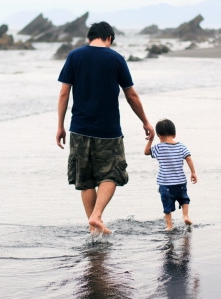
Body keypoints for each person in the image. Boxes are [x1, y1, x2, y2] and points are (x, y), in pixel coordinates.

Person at [56, 21, 154, 235]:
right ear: (109, 38)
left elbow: (64, 94)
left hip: (79, 129)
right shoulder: (116, 59)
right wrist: (145, 121)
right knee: (111, 174)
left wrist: (60, 126)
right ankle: (97, 216)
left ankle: (94, 229)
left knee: (85, 179)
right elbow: (131, 95)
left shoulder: (74, 56)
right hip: (108, 130)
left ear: (90, 37)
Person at [144, 118, 197, 230]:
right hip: (180, 181)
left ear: (160, 136)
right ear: (174, 134)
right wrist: (193, 173)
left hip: (165, 184)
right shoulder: (181, 146)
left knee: (167, 205)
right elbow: (189, 159)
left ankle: (169, 225)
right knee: (184, 199)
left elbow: (146, 152)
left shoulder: (159, 148)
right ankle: (185, 216)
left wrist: (151, 139)